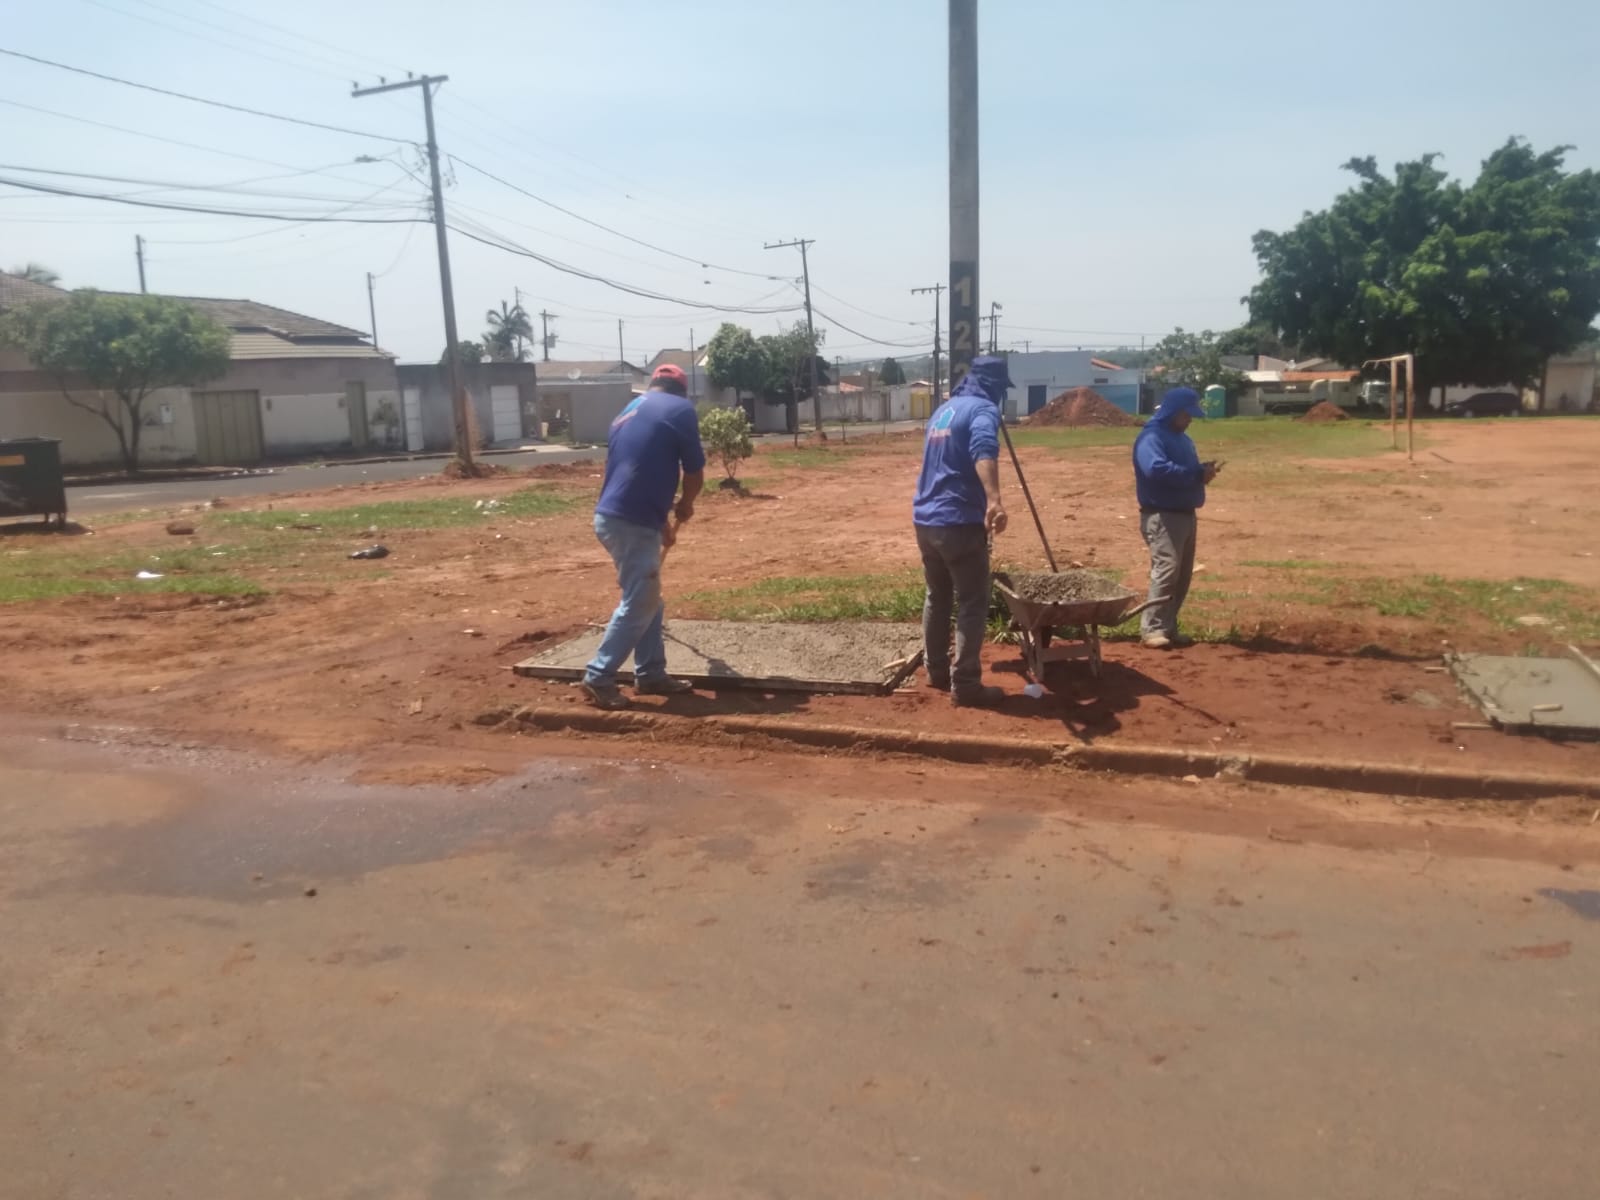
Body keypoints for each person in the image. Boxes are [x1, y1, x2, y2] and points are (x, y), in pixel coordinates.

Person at [581, 363, 705, 709]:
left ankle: (650, 672)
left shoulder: (627, 411)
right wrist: (686, 504)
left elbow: (637, 469)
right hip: (631, 521)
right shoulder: (681, 410)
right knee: (641, 599)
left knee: (649, 597)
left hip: (613, 516)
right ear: (681, 391)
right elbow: (694, 472)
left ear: (653, 386)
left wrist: (661, 522)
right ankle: (598, 676)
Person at [912, 355, 1011, 707]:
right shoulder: (984, 409)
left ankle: (935, 671)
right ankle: (966, 685)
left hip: (926, 520)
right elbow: (984, 449)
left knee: (937, 596)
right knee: (972, 601)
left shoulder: (943, 411)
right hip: (958, 521)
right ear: (994, 387)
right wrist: (994, 499)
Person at [1133, 386, 1220, 650]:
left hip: (1185, 513)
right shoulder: (1152, 437)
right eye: (1187, 414)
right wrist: (1194, 474)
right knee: (1167, 571)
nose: (1190, 419)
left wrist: (1202, 470)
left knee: (1181, 576)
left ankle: (1168, 627)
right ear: (1173, 412)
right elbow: (1155, 469)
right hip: (1163, 516)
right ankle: (1153, 629)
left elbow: (1184, 469)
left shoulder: (1183, 438)